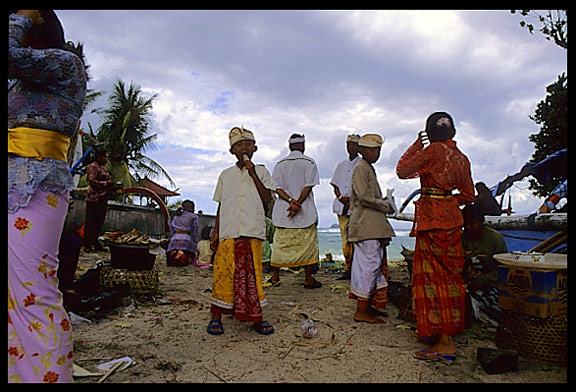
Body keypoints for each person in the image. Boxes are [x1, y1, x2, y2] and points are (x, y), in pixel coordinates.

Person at [8, 10, 87, 382]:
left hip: (35, 186)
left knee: (33, 293)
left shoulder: (66, 65)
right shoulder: (19, 86)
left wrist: (24, 17)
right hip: (16, 182)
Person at [396, 112, 475, 362]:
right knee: (451, 278)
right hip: (452, 222)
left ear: (430, 132)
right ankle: (446, 334)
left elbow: (402, 169)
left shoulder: (433, 152)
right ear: (453, 132)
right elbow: (469, 195)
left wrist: (418, 143)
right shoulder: (462, 158)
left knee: (431, 279)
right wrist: (449, 201)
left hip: (431, 221)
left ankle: (443, 340)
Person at [208, 127, 276, 335]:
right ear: (232, 150)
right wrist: (215, 232)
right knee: (223, 273)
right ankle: (217, 316)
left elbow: (267, 199)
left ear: (255, 148)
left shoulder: (262, 171)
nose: (244, 147)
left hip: (251, 229)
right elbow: (221, 205)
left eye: (248, 143)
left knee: (253, 275)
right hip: (229, 231)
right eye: (239, 144)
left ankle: (256, 318)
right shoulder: (225, 175)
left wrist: (252, 172)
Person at [347, 134, 396, 323]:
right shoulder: (361, 168)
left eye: (378, 150)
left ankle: (367, 305)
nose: (376, 154)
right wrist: (385, 205)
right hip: (366, 225)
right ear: (362, 150)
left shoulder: (366, 168)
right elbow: (364, 197)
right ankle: (362, 309)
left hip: (369, 225)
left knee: (370, 265)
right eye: (373, 150)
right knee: (370, 265)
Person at [270, 134, 322, 289]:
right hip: (305, 210)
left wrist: (290, 201)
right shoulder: (309, 162)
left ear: (289, 146)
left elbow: (277, 188)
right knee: (306, 245)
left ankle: (275, 277)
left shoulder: (279, 164)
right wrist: (297, 203)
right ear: (303, 145)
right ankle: (307, 279)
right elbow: (308, 185)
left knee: (281, 244)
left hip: (283, 211)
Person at [461, 204, 507, 323]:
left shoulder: (496, 239)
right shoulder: (462, 238)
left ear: (481, 222)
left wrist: (480, 281)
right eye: (465, 224)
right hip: (468, 285)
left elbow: (501, 270)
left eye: (472, 223)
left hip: (490, 285)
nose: (468, 227)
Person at [330, 134, 361, 280]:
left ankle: (354, 268)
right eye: (348, 144)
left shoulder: (361, 164)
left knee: (354, 239)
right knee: (345, 238)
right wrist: (341, 197)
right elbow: (335, 185)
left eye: (353, 144)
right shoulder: (341, 165)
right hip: (342, 206)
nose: (350, 147)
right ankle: (348, 267)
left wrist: (352, 199)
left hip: (356, 207)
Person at [84, 149, 118, 252]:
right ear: (99, 157)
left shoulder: (102, 169)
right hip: (94, 198)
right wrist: (106, 184)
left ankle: (95, 242)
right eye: (104, 157)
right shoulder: (93, 167)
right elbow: (92, 181)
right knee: (91, 221)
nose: (106, 159)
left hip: (102, 197)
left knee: (99, 222)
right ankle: (87, 244)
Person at [167, 200, 202, 267]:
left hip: (174, 239)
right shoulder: (194, 217)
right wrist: (193, 241)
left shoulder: (176, 216)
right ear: (191, 208)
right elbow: (195, 230)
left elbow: (171, 230)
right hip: (187, 240)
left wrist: (171, 239)